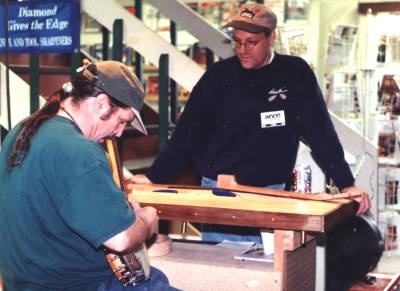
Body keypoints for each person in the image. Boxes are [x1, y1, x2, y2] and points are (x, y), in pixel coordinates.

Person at [129, 2, 371, 241]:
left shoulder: (294, 73)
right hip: (219, 193)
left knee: (269, 274)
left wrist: (346, 183)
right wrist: (153, 177)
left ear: (271, 37)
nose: (243, 49)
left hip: (271, 195)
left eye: (252, 42)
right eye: (238, 41)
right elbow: (186, 135)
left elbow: (320, 132)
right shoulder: (218, 76)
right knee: (221, 271)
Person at [0, 60, 179, 291]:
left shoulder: (24, 129)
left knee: (156, 278)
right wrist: (145, 220)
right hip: (78, 285)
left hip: (25, 283)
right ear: (102, 103)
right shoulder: (79, 149)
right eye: (121, 121)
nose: (118, 133)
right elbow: (121, 239)